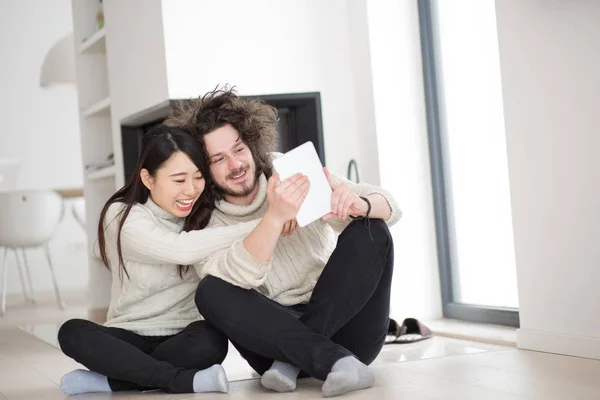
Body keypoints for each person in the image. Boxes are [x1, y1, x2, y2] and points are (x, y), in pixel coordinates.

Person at [166, 87, 402, 397]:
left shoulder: (288, 169)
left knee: (372, 230)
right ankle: (329, 360)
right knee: (211, 290)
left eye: (238, 149)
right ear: (203, 170)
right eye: (218, 159)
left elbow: (392, 208)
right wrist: (274, 219)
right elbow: (238, 282)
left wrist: (361, 205)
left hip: (343, 335)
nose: (235, 165)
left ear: (252, 144)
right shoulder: (201, 222)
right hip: (273, 344)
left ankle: (309, 359)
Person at [56, 125, 308, 395]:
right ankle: (180, 380)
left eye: (198, 177)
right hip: (129, 334)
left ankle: (114, 381)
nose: (191, 190)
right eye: (178, 180)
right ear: (148, 178)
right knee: (72, 332)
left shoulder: (208, 216)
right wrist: (270, 221)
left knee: (212, 342)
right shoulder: (122, 216)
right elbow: (180, 249)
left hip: (185, 335)